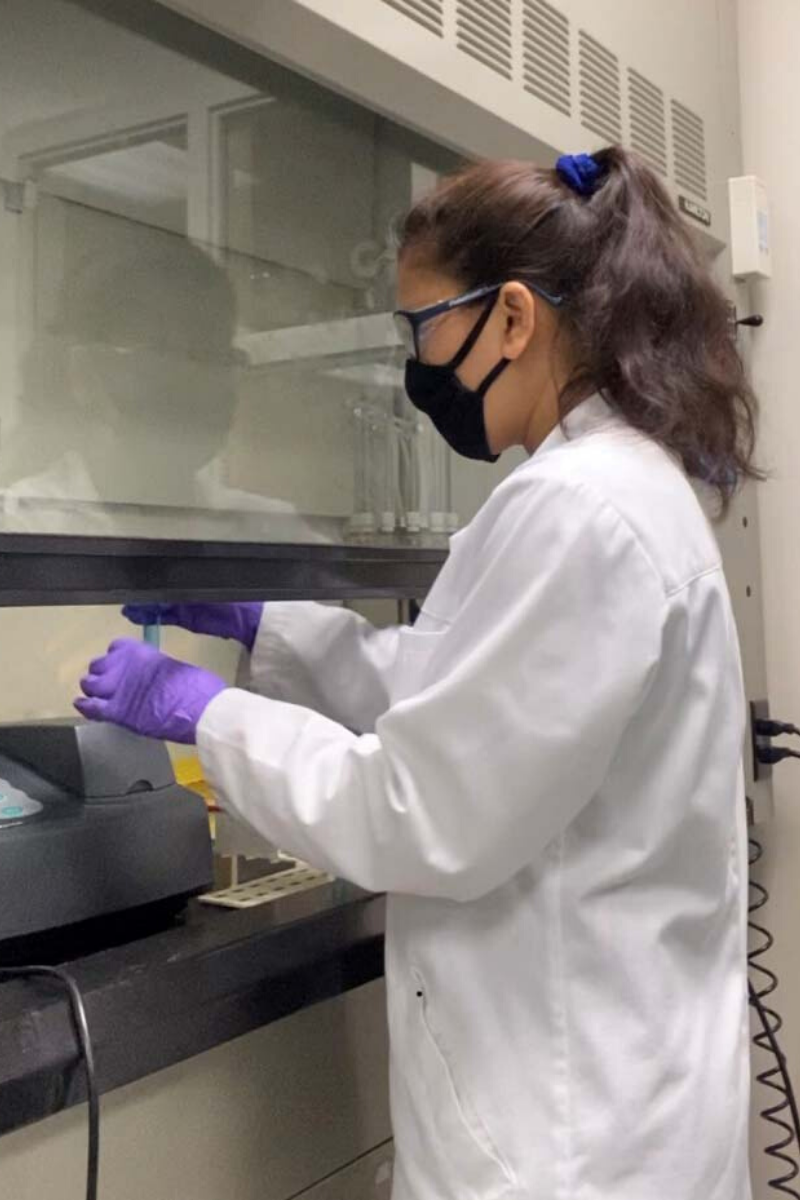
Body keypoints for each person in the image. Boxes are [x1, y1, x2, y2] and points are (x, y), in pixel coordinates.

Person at [76, 147, 758, 1200]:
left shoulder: (576, 507)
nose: (415, 365)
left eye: (420, 325)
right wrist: (272, 627)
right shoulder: (610, 485)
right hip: (610, 1092)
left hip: (568, 1140)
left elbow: (412, 812)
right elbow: (456, 693)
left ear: (514, 319)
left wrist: (206, 712)